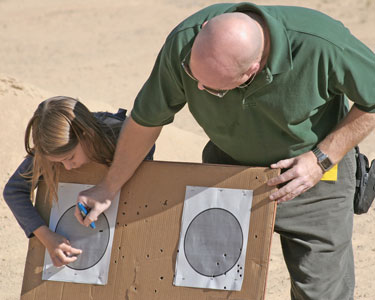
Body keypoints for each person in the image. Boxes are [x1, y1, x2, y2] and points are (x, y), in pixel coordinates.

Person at [75, 3, 375, 300]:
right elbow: (145, 121)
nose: (201, 89)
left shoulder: (321, 43)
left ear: (252, 71)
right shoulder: (184, 42)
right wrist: (108, 186)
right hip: (228, 173)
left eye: (216, 88)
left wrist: (321, 158)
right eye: (195, 78)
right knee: (210, 283)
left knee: (321, 292)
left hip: (311, 175)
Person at [3, 96, 155, 267]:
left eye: (70, 157)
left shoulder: (119, 136)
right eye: (58, 162)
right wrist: (47, 237)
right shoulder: (51, 144)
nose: (67, 167)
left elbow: (147, 150)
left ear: (86, 135)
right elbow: (14, 191)